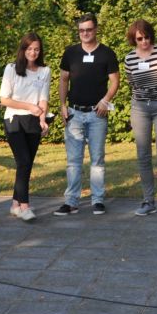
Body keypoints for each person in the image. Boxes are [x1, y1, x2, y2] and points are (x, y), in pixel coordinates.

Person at [54, 12, 120, 216]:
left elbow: (115, 81)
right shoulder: (70, 53)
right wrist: (62, 105)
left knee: (97, 159)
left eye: (89, 29)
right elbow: (64, 80)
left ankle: (97, 200)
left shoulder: (107, 53)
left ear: (96, 29)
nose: (85, 33)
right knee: (73, 160)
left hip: (96, 114)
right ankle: (71, 201)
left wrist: (105, 101)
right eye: (81, 30)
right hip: (74, 113)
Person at [124, 19, 157, 219]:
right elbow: (132, 83)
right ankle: (148, 201)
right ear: (134, 39)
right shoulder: (129, 59)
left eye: (147, 37)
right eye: (140, 38)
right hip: (139, 109)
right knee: (143, 155)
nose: (144, 41)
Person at [0, 32, 51, 221]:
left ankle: (15, 204)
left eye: (36, 49)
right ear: (23, 50)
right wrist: (29, 106)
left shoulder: (45, 71)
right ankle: (25, 206)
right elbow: (4, 99)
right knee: (23, 161)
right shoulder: (11, 69)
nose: (33, 52)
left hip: (33, 121)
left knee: (26, 165)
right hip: (14, 120)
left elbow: (44, 99)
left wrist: (42, 119)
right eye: (29, 48)